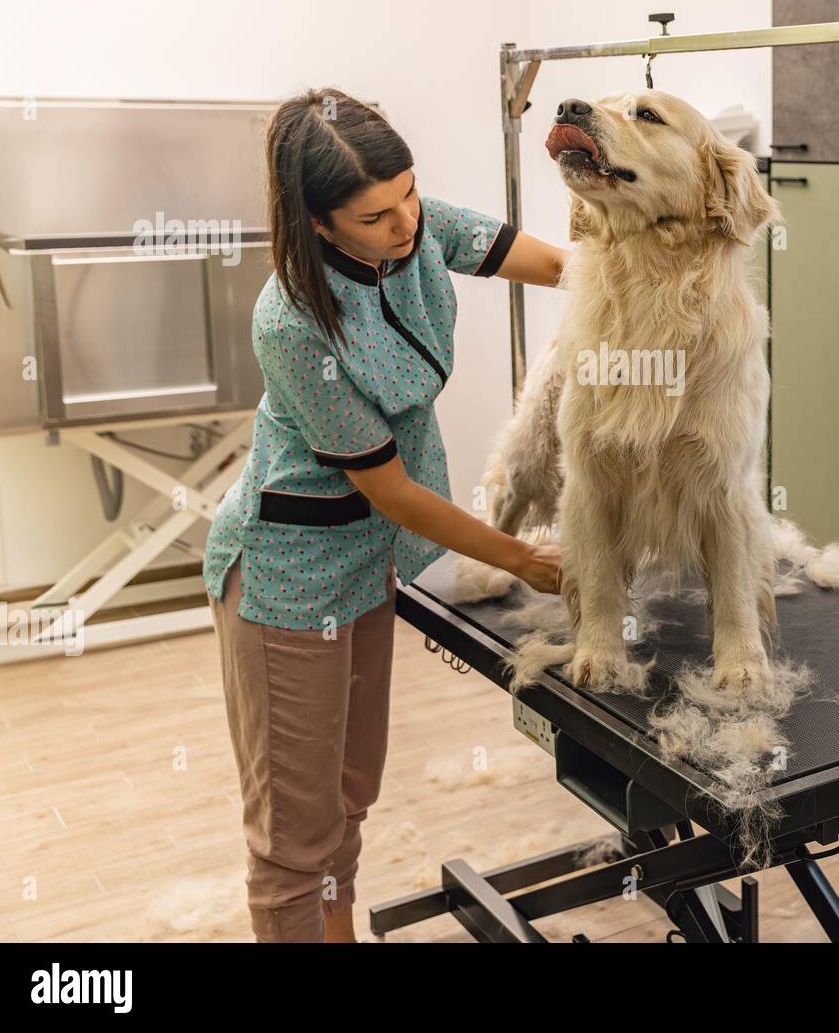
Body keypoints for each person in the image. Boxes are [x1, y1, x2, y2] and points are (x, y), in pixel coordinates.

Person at [202, 87, 566, 942]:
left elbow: (540, 260)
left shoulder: (413, 221)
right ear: (318, 224)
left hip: (368, 561)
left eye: (410, 194)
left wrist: (638, 278)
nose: (406, 223)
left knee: (349, 793)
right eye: (377, 215)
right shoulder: (290, 321)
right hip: (287, 577)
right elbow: (394, 488)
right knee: (295, 835)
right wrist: (525, 558)